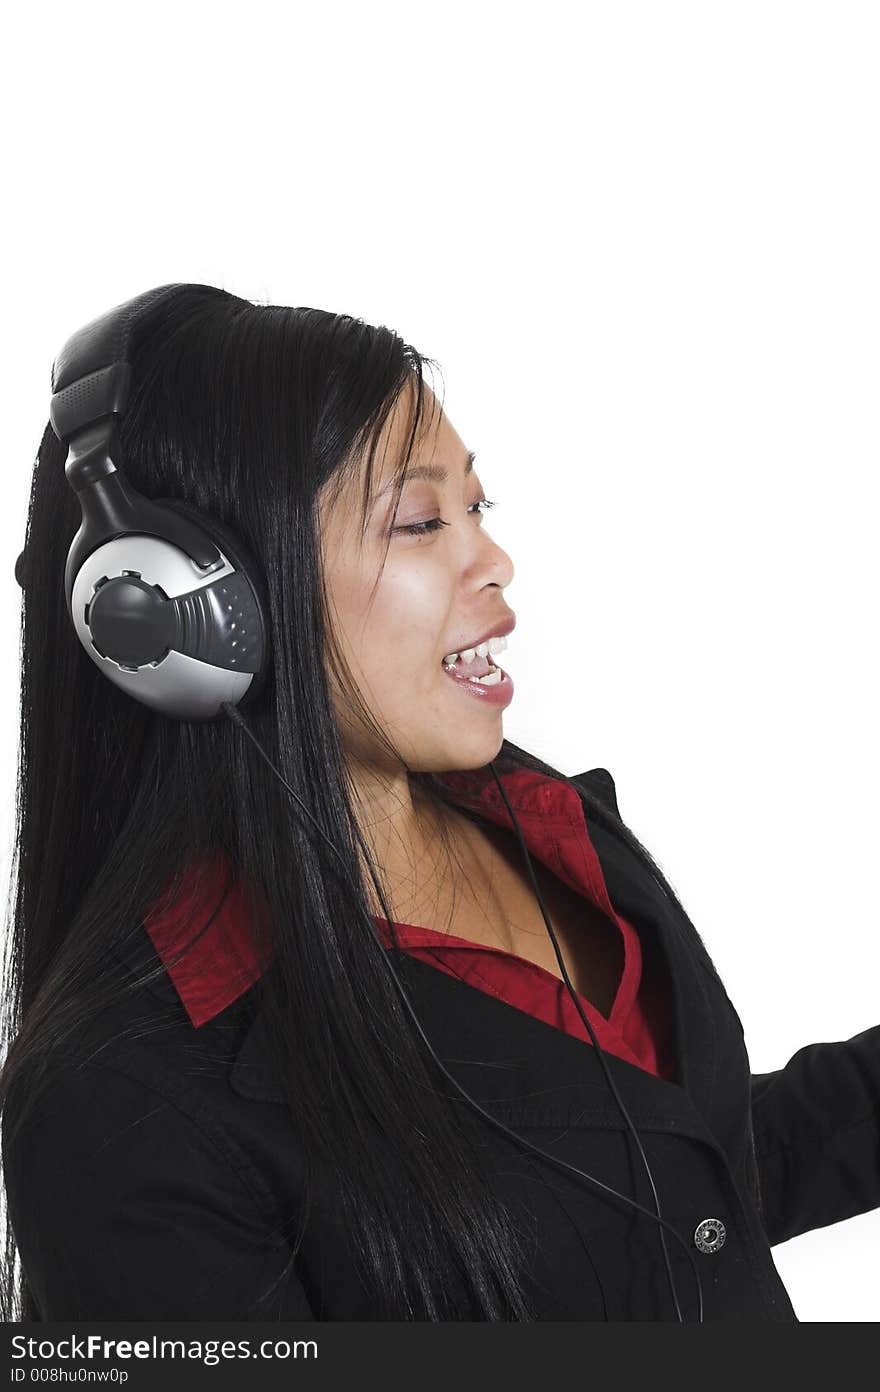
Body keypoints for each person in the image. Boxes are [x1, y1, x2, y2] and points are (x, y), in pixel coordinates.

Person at [2, 285, 878, 1322]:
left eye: (477, 508)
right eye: (419, 521)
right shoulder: (127, 1102)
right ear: (184, 611)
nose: (494, 562)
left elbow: (674, 1199)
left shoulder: (547, 826)